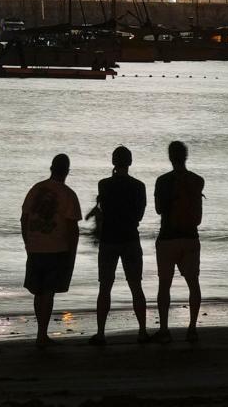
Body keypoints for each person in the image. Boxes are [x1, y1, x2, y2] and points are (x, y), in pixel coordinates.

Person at [89, 145, 150, 344]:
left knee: (105, 287)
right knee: (136, 286)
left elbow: (105, 210)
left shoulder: (103, 184)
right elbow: (139, 215)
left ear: (113, 162)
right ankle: (142, 331)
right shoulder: (139, 186)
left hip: (109, 240)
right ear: (130, 162)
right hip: (131, 238)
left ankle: (100, 333)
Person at [20, 154, 82, 346]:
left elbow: (24, 219)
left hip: (35, 247)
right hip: (56, 249)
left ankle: (41, 332)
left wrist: (27, 243)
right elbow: (72, 228)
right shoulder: (68, 194)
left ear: (51, 168)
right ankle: (41, 335)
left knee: (38, 292)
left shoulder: (35, 189)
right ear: (67, 172)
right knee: (47, 292)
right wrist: (72, 253)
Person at [153, 139, 203, 343]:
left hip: (168, 238)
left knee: (164, 285)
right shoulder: (197, 180)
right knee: (193, 283)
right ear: (186, 156)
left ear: (170, 157)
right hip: (190, 236)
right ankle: (192, 327)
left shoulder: (162, 181)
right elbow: (198, 217)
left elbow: (158, 209)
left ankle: (164, 328)